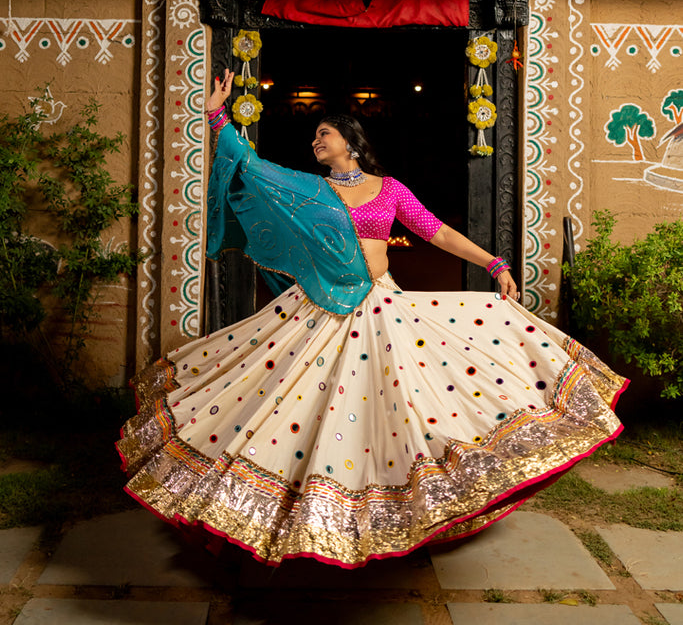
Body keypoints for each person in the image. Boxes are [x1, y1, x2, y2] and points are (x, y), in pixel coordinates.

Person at [118, 70, 628, 568]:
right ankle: (296, 506)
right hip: (320, 307)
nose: (315, 140)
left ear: (352, 144)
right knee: (299, 403)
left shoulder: (389, 190)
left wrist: (493, 263)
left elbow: (438, 233)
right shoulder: (310, 190)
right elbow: (251, 169)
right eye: (315, 135)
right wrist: (216, 117)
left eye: (325, 133)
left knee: (402, 402)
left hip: (381, 306)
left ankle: (409, 506)